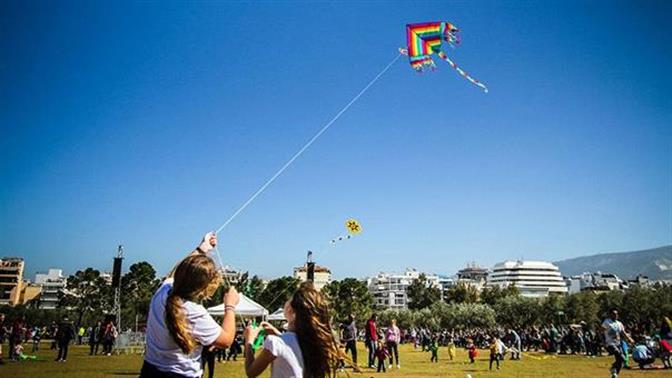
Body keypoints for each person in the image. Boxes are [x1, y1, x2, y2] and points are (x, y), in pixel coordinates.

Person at [140, 232, 240, 378]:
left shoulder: (162, 292)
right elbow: (226, 340)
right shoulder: (193, 311)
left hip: (149, 371)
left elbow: (175, 272)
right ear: (205, 286)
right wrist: (230, 306)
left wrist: (201, 249)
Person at [243, 282, 345, 378]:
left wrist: (249, 341)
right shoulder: (312, 343)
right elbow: (293, 346)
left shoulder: (274, 343)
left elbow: (251, 372)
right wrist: (279, 334)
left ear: (291, 310)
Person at [602, 309, 634, 378]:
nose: (616, 315)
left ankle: (614, 374)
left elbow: (623, 332)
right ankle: (613, 368)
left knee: (621, 361)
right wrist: (603, 342)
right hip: (610, 343)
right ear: (610, 315)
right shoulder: (607, 322)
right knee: (621, 356)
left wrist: (630, 339)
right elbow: (600, 332)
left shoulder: (619, 323)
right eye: (614, 314)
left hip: (618, 343)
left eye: (617, 314)